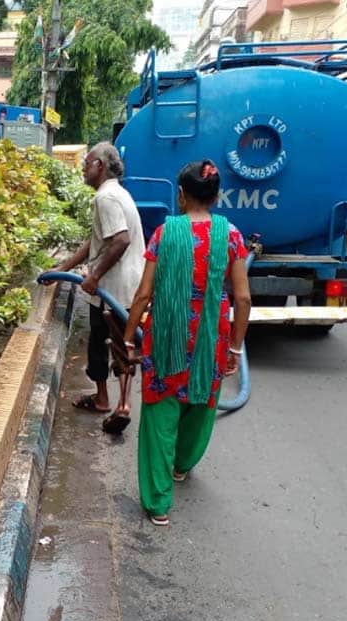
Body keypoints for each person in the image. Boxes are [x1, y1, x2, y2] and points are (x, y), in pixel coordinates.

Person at [122, 159, 251, 527]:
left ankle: (158, 504)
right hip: (211, 335)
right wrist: (235, 347)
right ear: (217, 195)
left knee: (161, 411)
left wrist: (129, 337)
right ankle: (182, 465)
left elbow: (144, 294)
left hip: (166, 336)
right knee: (201, 404)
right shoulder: (232, 236)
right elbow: (242, 298)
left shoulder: (164, 234)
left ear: (181, 195)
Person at [48, 142, 145, 432]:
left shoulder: (106, 198)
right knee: (107, 344)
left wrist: (94, 276)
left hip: (114, 289)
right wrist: (62, 269)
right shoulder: (116, 193)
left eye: (87, 162)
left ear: (100, 166)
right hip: (122, 287)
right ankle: (107, 400)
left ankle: (120, 406)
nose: (82, 167)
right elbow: (96, 241)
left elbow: (121, 240)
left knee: (115, 345)